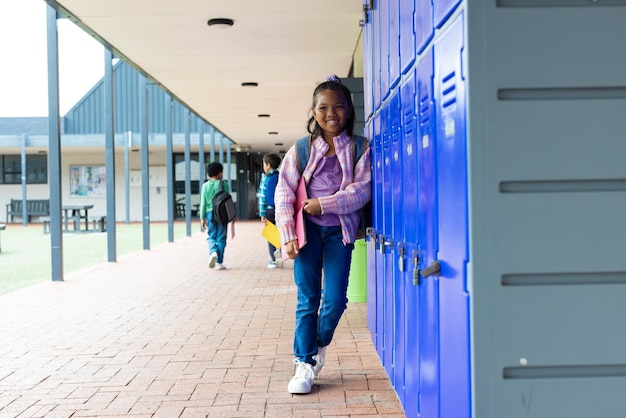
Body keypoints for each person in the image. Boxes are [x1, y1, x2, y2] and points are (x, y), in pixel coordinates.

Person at [275, 75, 371, 394]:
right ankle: (305, 363)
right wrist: (287, 234)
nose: (331, 113)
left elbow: (361, 191)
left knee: (335, 301)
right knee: (308, 299)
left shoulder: (359, 147)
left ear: (348, 110)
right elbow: (284, 193)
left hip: (339, 232)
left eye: (339, 107)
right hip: (307, 233)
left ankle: (316, 343)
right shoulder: (300, 149)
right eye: (324, 107)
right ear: (314, 112)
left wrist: (324, 203)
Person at [199, 162, 233, 270]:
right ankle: (219, 262)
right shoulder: (224, 185)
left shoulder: (205, 186)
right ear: (219, 173)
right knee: (221, 238)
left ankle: (213, 251)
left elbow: (203, 203)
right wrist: (232, 215)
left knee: (211, 236)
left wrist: (202, 218)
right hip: (222, 214)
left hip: (210, 213)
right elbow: (228, 201)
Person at [258, 153, 283, 268]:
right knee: (282, 231)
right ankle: (281, 251)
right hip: (281, 209)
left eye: (264, 164)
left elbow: (263, 197)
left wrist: (262, 213)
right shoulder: (282, 176)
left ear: (268, 165)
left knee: (271, 233)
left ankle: (273, 259)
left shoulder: (265, 178)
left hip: (269, 209)